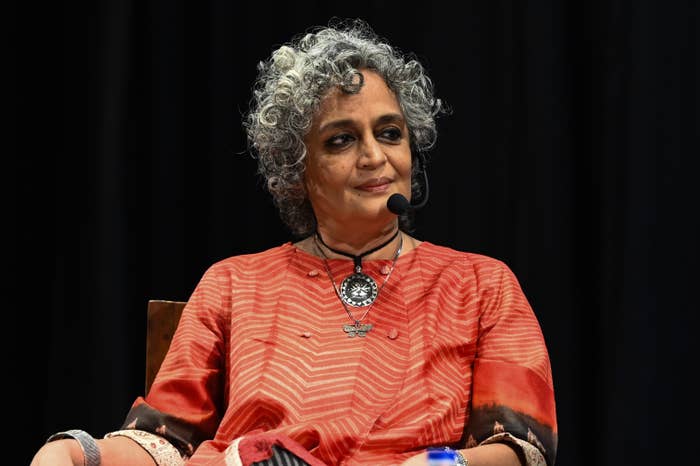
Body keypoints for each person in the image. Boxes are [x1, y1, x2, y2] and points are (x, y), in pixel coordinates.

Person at [31, 18, 558, 466]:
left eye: (390, 133)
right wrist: (77, 451)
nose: (375, 157)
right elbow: (162, 442)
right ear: (296, 170)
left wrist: (436, 465)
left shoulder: (481, 284)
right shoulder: (234, 282)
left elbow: (520, 449)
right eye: (342, 140)